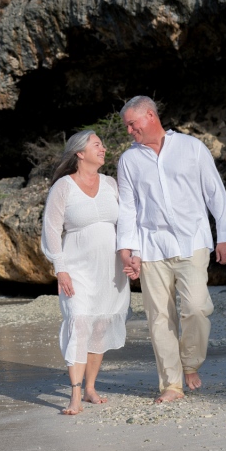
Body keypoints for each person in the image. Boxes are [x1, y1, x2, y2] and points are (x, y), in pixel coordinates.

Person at [115, 96, 226, 404]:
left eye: (133, 123)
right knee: (159, 319)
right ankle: (172, 385)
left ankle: (190, 363)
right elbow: (128, 209)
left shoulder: (191, 148)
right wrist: (127, 249)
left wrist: (225, 236)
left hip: (192, 241)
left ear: (150, 116)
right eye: (127, 126)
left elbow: (215, 193)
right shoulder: (129, 161)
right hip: (151, 246)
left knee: (197, 307)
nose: (129, 131)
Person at [41, 130, 131, 415]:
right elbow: (52, 230)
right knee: (79, 322)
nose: (103, 149)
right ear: (80, 153)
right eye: (97, 145)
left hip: (111, 270)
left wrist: (132, 255)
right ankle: (75, 394)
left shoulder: (111, 184)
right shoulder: (63, 187)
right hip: (77, 269)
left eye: (102, 145)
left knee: (101, 324)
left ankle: (91, 387)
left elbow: (128, 223)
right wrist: (61, 269)